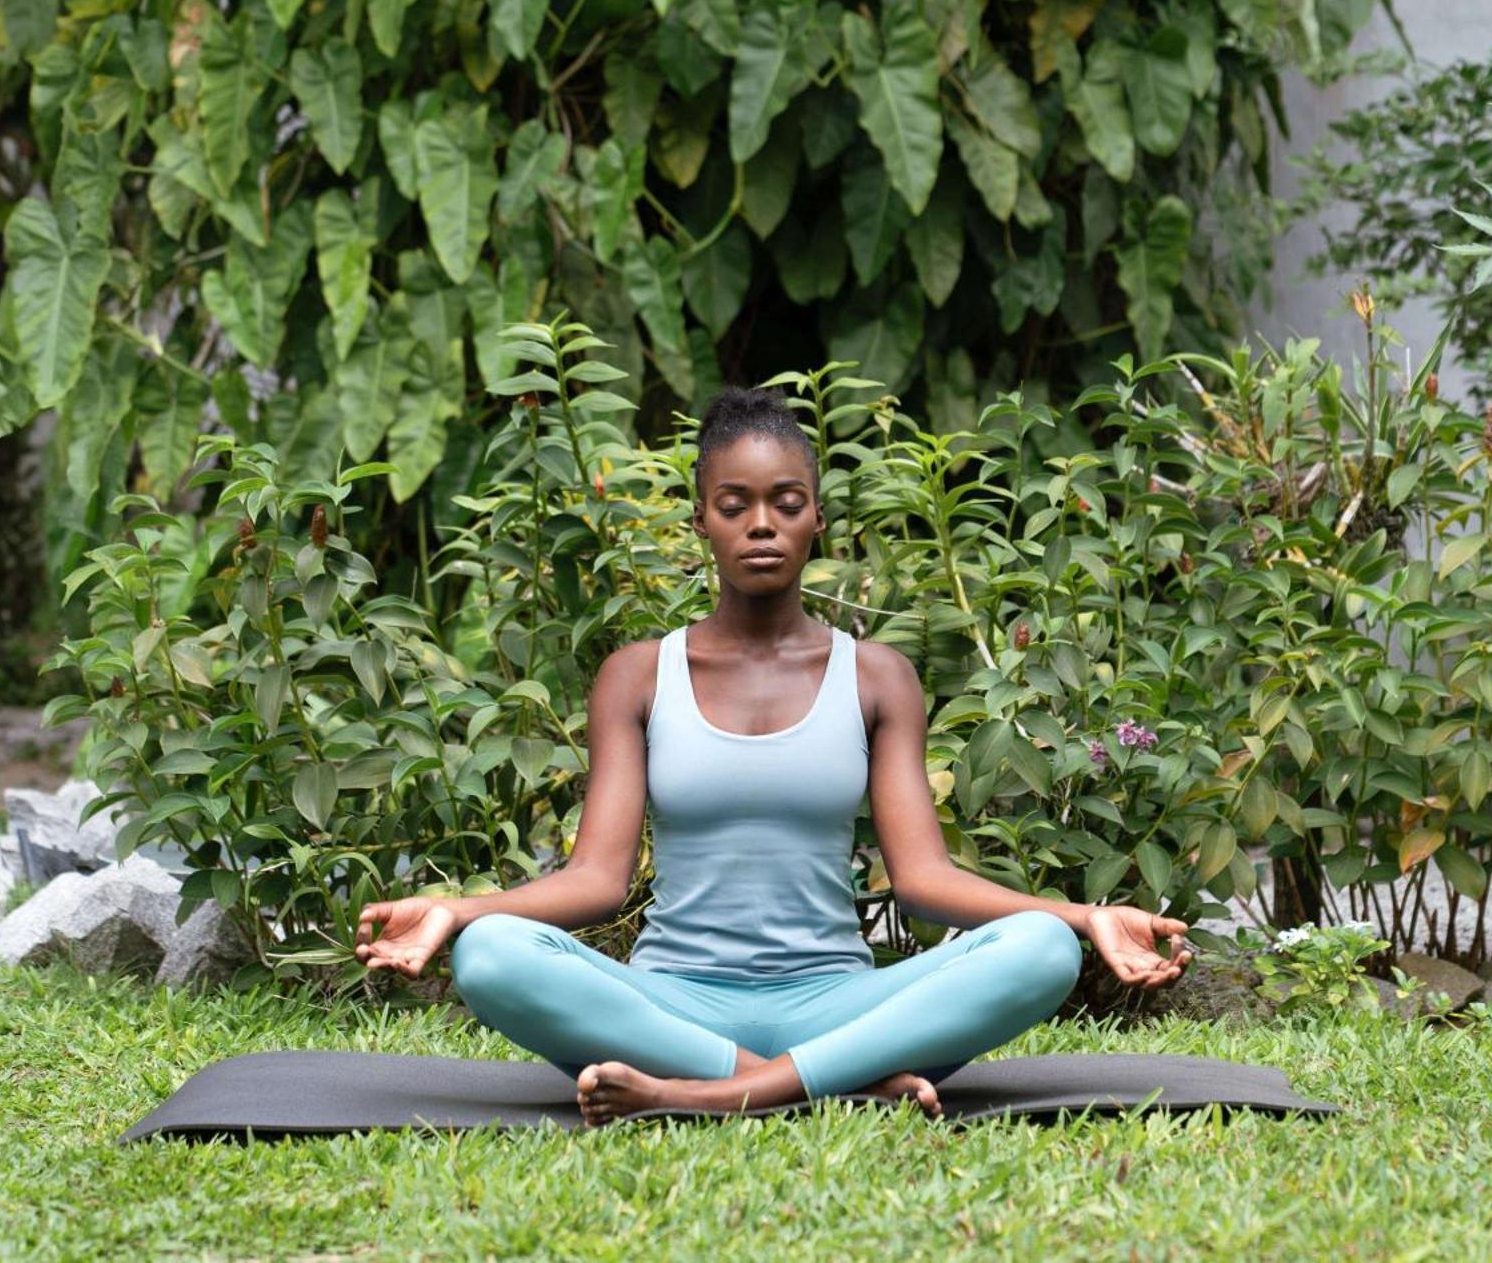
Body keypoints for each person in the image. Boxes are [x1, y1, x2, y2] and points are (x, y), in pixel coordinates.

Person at [355, 385, 1192, 1126]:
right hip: (672, 1008)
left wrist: (1084, 920)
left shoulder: (876, 676)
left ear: (817, 518)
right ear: (701, 522)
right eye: (735, 504)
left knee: (1039, 951)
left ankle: (709, 1096)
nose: (762, 524)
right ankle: (826, 1089)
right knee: (491, 955)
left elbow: (925, 881)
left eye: (787, 502)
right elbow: (596, 883)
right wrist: (458, 909)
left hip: (838, 1005)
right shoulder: (638, 676)